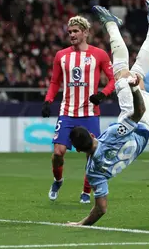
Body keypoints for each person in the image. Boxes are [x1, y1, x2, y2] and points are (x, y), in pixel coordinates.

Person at [67, 0, 149, 226]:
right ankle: (116, 25)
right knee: (123, 76)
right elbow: (138, 111)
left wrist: (81, 224)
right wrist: (133, 89)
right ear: (93, 135)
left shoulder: (92, 172)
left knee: (134, 73)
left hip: (145, 133)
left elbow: (101, 209)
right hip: (141, 123)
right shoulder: (110, 137)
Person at [42, 15, 115, 204]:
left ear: (85, 32)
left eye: (76, 31)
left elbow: (114, 79)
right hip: (67, 112)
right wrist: (48, 100)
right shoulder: (61, 56)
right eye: (70, 32)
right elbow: (55, 81)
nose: (72, 35)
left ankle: (86, 191)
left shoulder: (99, 54)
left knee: (93, 154)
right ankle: (58, 180)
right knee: (58, 153)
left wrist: (103, 94)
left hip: (90, 113)